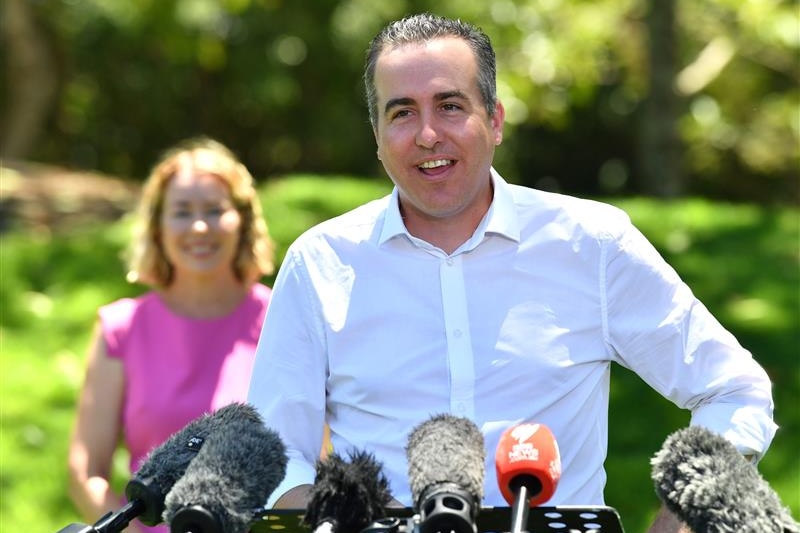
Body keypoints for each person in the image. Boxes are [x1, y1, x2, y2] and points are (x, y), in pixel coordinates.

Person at [246, 13, 777, 533]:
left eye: (450, 106)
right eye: (402, 112)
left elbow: (734, 391)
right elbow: (274, 451)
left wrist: (677, 520)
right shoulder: (319, 263)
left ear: (495, 120)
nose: (428, 134)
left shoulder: (591, 244)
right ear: (378, 134)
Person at [68, 137, 276, 533]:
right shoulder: (121, 328)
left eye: (215, 210)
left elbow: (312, 458)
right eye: (182, 212)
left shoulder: (283, 319)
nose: (199, 227)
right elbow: (86, 471)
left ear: (243, 220)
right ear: (158, 225)